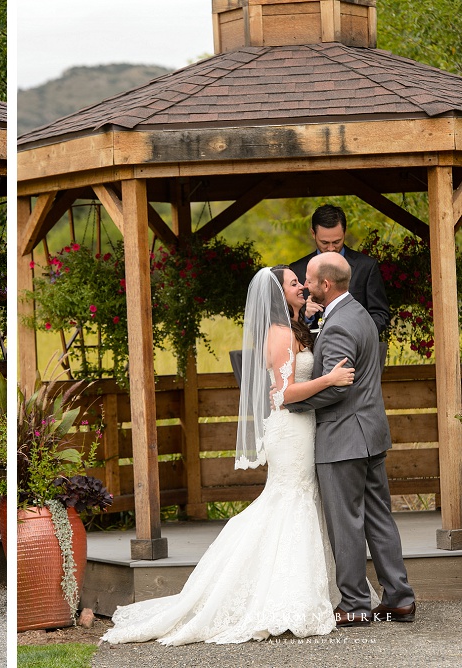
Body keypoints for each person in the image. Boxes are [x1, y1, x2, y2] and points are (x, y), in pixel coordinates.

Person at [103, 265, 355, 645]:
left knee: (298, 499)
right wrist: (329, 379)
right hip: (290, 429)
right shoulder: (280, 335)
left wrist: (307, 315)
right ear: (277, 295)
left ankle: (301, 588)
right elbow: (284, 394)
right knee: (290, 499)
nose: (302, 286)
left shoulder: (292, 328)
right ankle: (275, 593)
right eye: (293, 283)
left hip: (303, 428)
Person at [287, 252, 415, 626]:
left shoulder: (340, 324)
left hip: (344, 435)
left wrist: (290, 404)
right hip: (370, 432)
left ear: (326, 284)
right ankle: (399, 597)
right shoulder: (358, 313)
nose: (305, 285)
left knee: (345, 522)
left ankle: (356, 603)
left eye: (309, 279)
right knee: (379, 518)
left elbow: (338, 388)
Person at [290, 204, 389, 335]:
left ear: (345, 231)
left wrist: (357, 336)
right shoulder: (296, 270)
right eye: (324, 243)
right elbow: (287, 319)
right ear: (313, 233)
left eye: (337, 241)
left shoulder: (366, 267)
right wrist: (307, 318)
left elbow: (380, 315)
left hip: (355, 351)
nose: (331, 248)